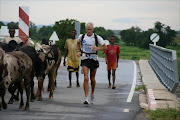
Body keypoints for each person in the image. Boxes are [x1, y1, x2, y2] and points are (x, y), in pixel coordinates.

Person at [77, 22, 107, 104]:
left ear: (92, 29)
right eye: (88, 29)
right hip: (85, 58)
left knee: (92, 79)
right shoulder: (82, 36)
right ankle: (86, 97)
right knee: (86, 78)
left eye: (90, 29)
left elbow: (105, 47)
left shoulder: (97, 37)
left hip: (93, 58)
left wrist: (97, 48)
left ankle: (92, 94)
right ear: (86, 29)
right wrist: (79, 51)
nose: (89, 31)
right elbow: (77, 42)